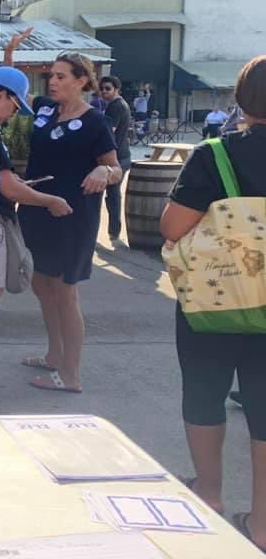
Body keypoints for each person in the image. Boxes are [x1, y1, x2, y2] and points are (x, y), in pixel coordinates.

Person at [160, 55, 266, 550]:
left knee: (204, 393)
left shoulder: (214, 154)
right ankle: (263, 523)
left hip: (216, 300)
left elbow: (173, 227)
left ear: (241, 98)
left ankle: (210, 493)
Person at [0, 66, 73, 415]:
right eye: (13, 105)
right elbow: (7, 188)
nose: (12, 113)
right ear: (0, 97)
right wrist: (51, 200)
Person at [18, 52, 122, 393]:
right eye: (52, 75)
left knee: (65, 292)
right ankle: (54, 355)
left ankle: (71, 374)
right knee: (41, 286)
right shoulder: (46, 109)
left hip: (72, 215)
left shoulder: (95, 122)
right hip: (37, 210)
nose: (54, 81)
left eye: (62, 76)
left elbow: (115, 167)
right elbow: (10, 88)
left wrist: (102, 170)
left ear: (81, 81)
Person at [99, 76, 132, 241]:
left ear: (116, 89)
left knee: (110, 195)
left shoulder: (115, 106)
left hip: (117, 157)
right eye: (102, 89)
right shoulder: (121, 104)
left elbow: (108, 132)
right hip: (123, 155)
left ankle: (114, 231)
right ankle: (114, 231)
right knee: (112, 194)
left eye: (108, 89)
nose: (104, 92)